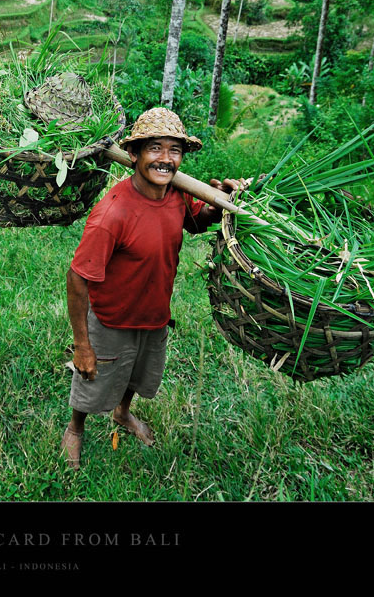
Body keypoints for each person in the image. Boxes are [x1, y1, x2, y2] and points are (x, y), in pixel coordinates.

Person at [61, 107, 246, 470]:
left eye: (174, 150)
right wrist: (82, 345)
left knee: (138, 374)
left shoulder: (175, 194)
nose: (165, 159)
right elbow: (78, 277)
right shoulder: (112, 214)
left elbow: (195, 221)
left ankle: (122, 413)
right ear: (134, 155)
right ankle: (75, 428)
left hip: (155, 314)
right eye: (155, 149)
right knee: (93, 380)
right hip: (113, 319)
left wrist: (217, 203)